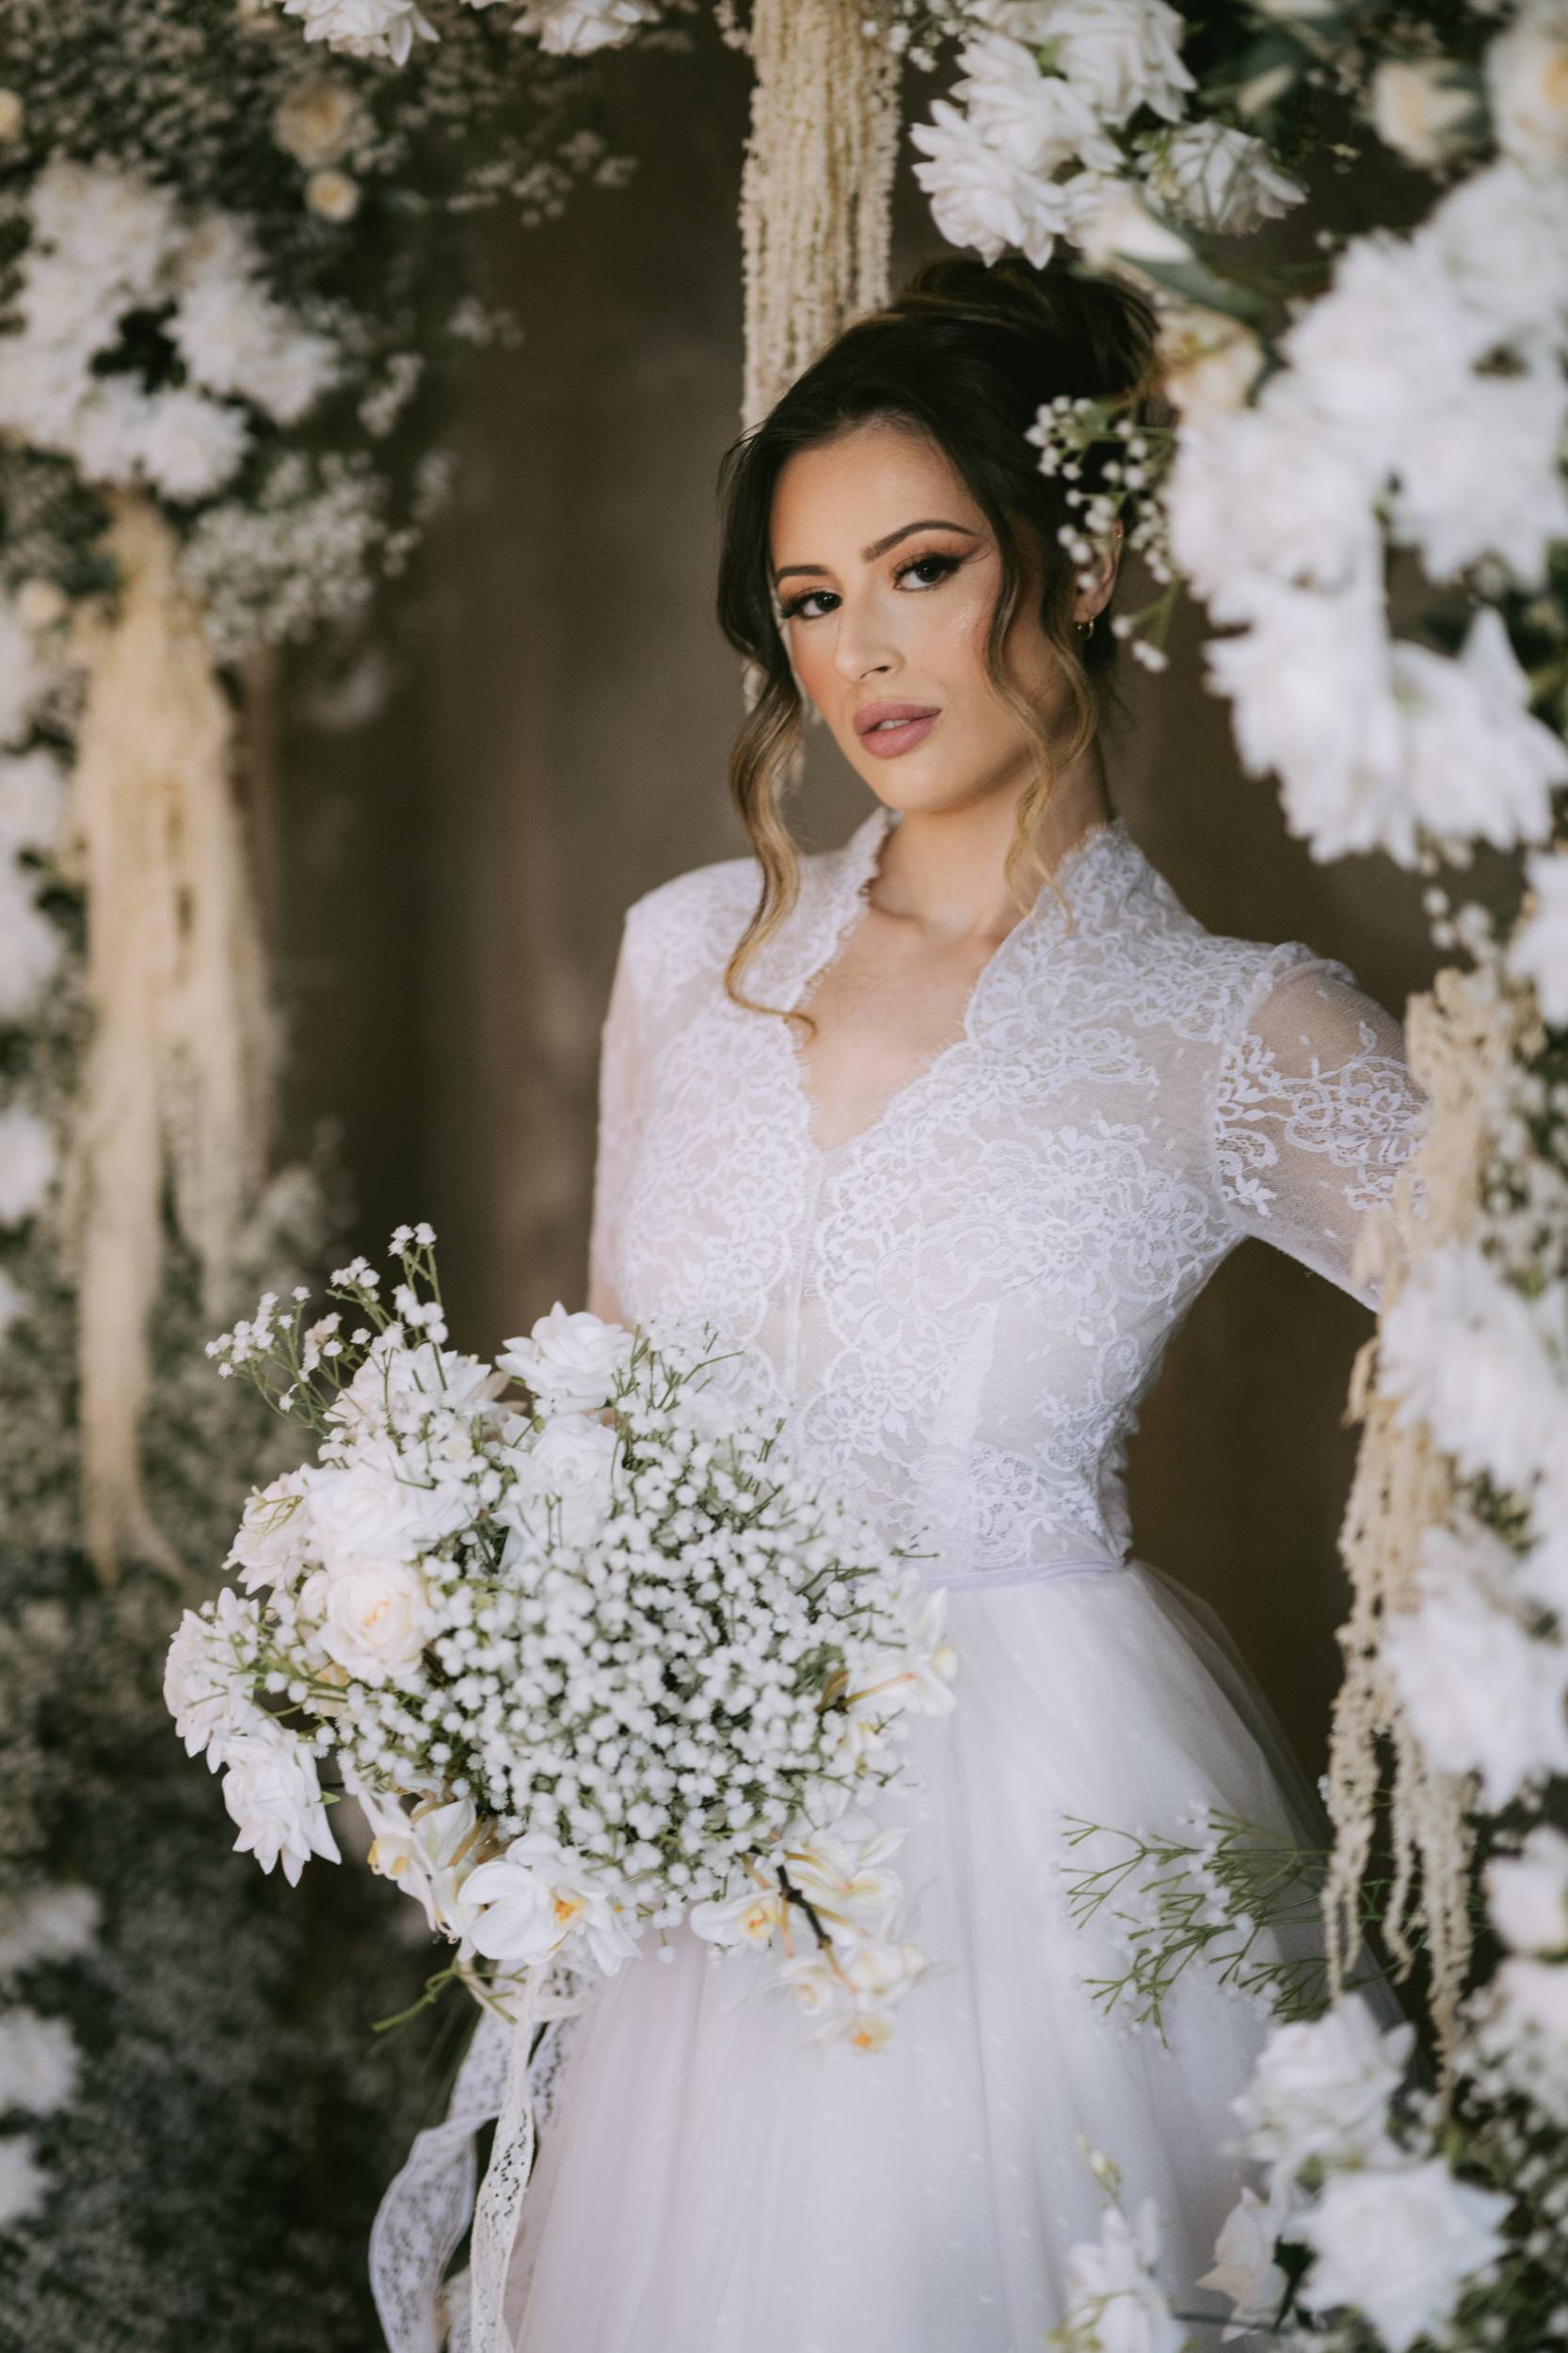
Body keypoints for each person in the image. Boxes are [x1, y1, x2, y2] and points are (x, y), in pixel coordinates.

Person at [496, 253, 1427, 2351]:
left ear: (1076, 560)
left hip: (1047, 1846)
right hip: (702, 1868)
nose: (861, 653)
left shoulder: (1231, 1026)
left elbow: (1518, 1323)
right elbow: (601, 1434)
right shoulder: (683, 956)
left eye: (917, 568)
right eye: (812, 601)